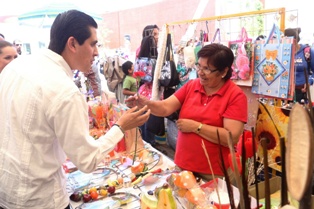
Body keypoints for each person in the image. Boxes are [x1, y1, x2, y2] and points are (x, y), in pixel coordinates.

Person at [0, 10, 150, 209]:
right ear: (72, 44)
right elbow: (87, 161)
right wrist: (120, 127)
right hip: (40, 199)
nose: (96, 52)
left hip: (7, 190)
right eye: (93, 44)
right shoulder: (64, 90)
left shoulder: (17, 66)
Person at [126, 43, 248, 180]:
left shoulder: (235, 96)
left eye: (207, 69)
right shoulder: (192, 85)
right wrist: (146, 103)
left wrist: (197, 127)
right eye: (199, 66)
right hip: (183, 165)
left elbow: (231, 137)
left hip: (214, 173)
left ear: (224, 72)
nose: (200, 72)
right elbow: (165, 107)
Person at [284, 27, 314, 104]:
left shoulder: (307, 52)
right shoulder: (284, 52)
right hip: (286, 91)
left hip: (302, 92)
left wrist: (309, 81)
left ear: (294, 40)